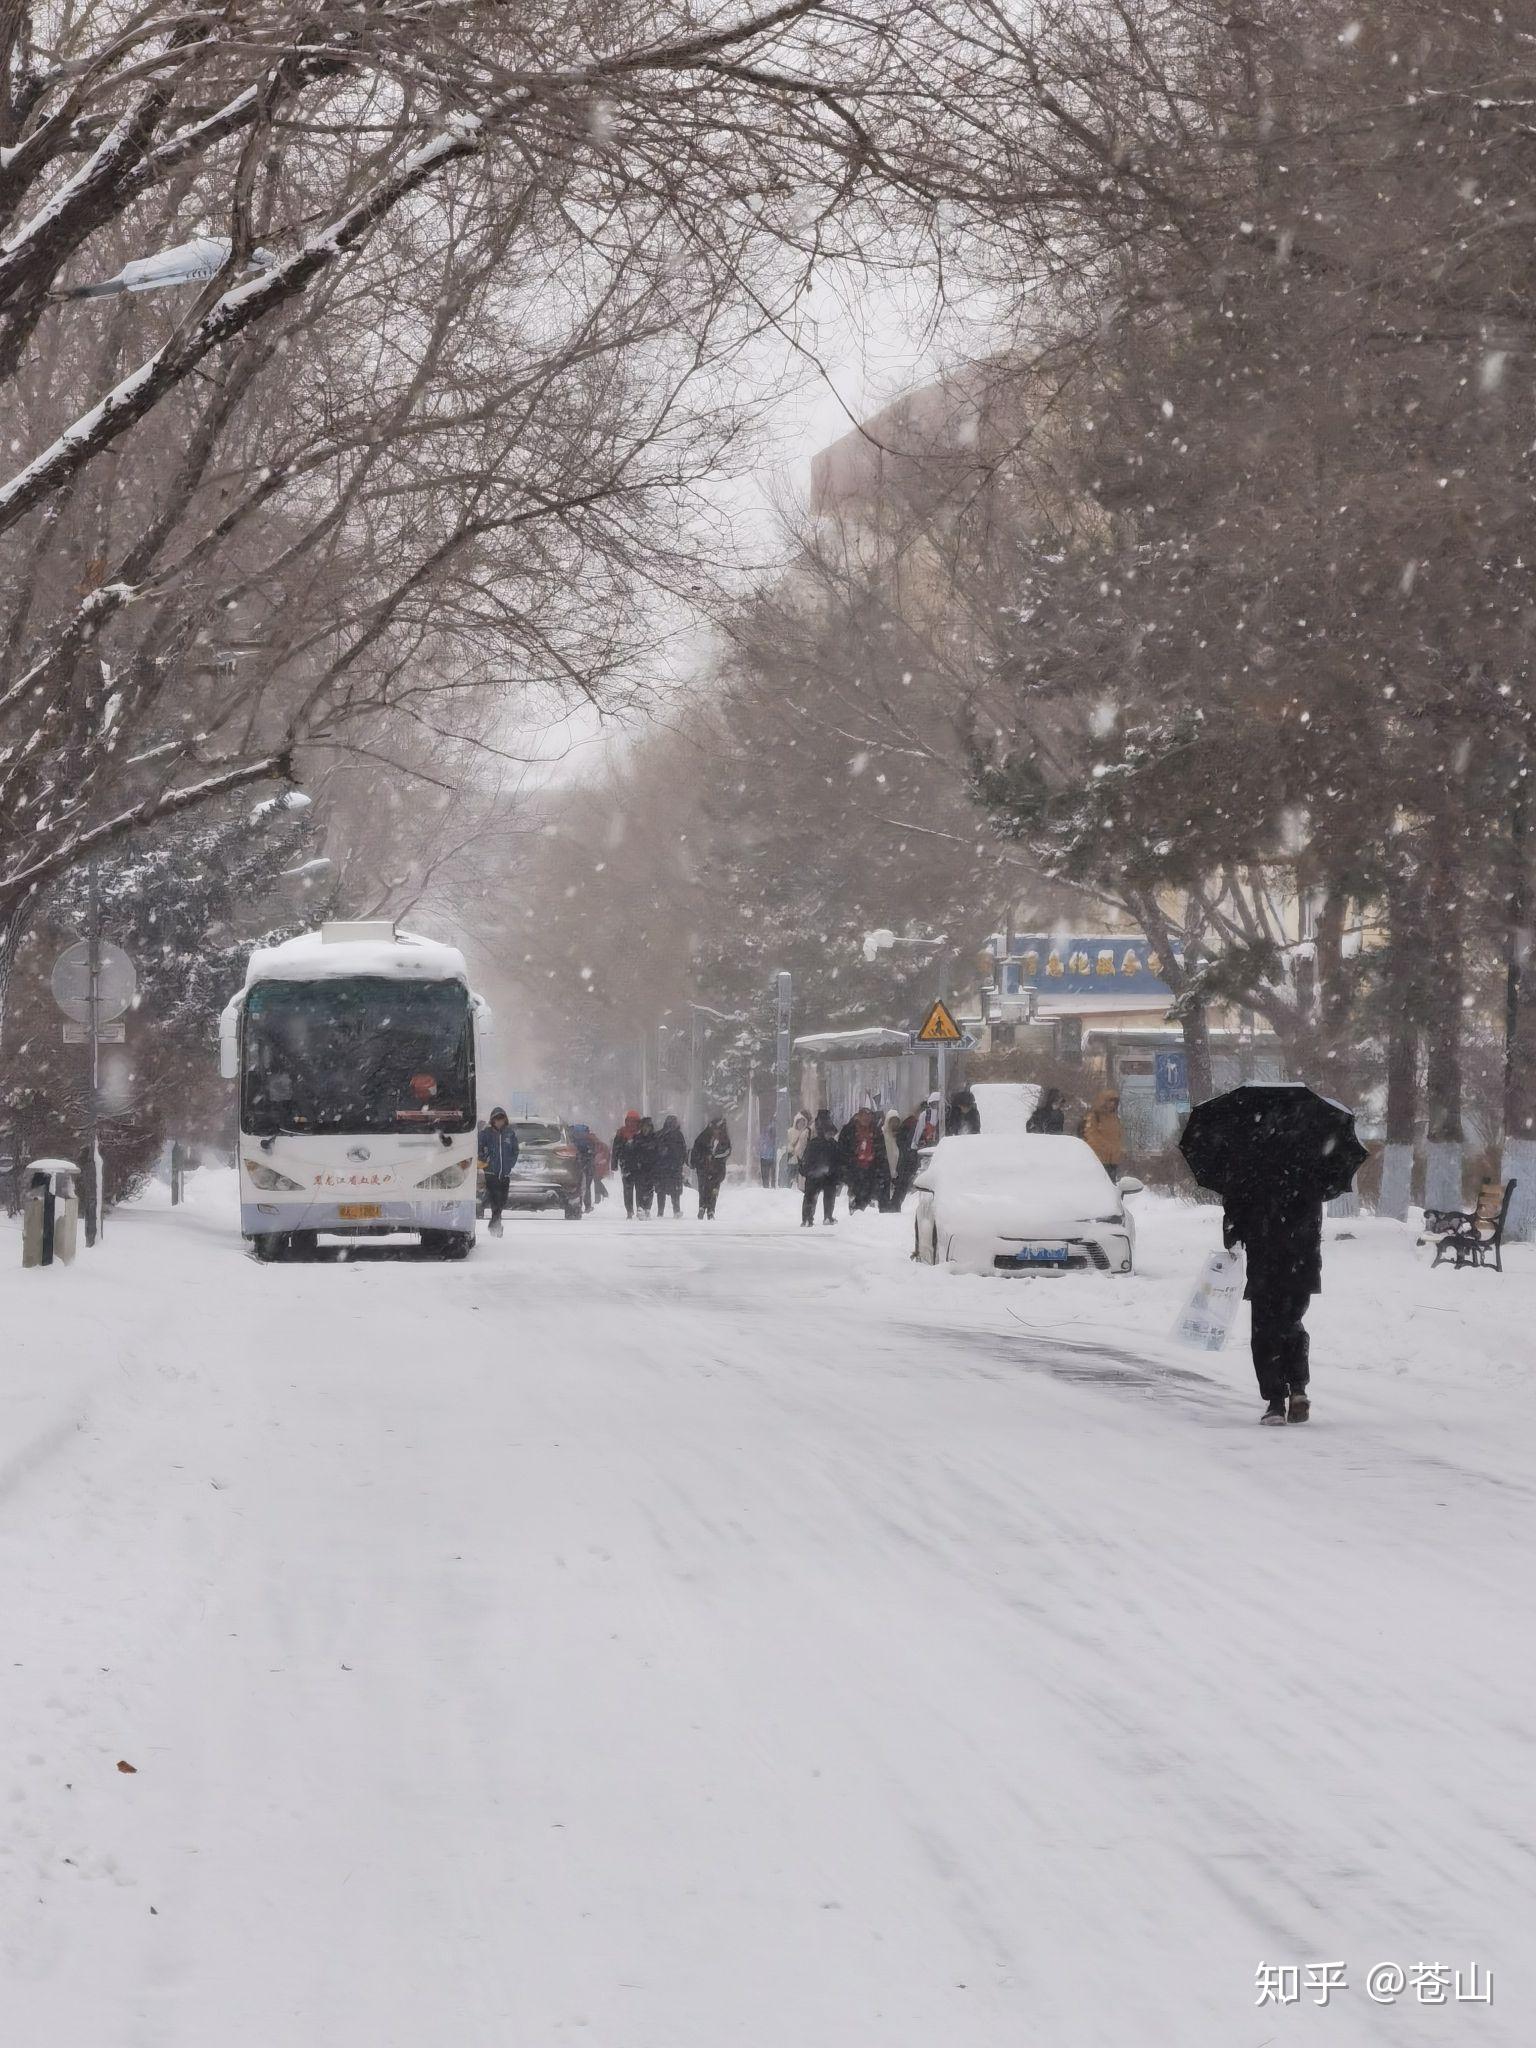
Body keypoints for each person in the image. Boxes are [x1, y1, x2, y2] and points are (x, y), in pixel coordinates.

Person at [1222, 1185, 1322, 1425]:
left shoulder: (1250, 1171)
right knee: (1291, 1323)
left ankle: (1276, 1401)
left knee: (1265, 1331)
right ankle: (1297, 1388)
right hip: (1301, 1261)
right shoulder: (1309, 1170)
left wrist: (1234, 1231)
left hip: (1265, 1262)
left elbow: (1235, 1211)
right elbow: (1314, 1214)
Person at [477, 1107, 520, 1237]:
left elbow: (515, 1150)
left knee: (502, 1200)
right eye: (497, 1119)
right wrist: (485, 1160)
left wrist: (510, 1164)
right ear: (493, 1120)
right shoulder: (486, 1134)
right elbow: (479, 1148)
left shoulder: (509, 1134)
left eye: (501, 1119)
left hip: (505, 1174)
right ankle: (496, 1224)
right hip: (491, 1173)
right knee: (495, 1199)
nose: (499, 1122)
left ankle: (495, 1222)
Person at [839, 1105, 889, 1212]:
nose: (866, 1118)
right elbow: (842, 1149)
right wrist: (845, 1166)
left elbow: (881, 1150)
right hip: (854, 1167)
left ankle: (860, 1209)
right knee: (858, 1191)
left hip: (871, 1168)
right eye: (863, 1115)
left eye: (868, 1115)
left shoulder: (876, 1131)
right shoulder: (848, 1130)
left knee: (867, 1193)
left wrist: (880, 1166)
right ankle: (856, 1208)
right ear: (858, 1116)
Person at [799, 1108, 841, 1225]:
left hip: (813, 1171)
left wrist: (804, 1168)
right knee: (829, 1194)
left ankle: (807, 1218)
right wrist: (837, 1173)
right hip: (828, 1171)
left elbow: (803, 1153)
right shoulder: (832, 1141)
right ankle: (828, 1216)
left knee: (810, 1195)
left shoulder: (811, 1136)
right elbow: (837, 1158)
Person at [690, 1115, 732, 1219]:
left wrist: (715, 1157)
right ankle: (702, 1206)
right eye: (715, 1129)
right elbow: (696, 1151)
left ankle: (711, 1210)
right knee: (703, 1188)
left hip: (717, 1170)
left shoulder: (724, 1140)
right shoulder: (703, 1138)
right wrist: (704, 1159)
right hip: (703, 1168)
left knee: (714, 1190)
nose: (716, 1132)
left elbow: (727, 1152)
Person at [1078, 1089, 1124, 1181]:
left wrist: (1119, 1150)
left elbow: (1119, 1136)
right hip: (1098, 1159)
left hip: (1113, 1160)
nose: (1112, 1104)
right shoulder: (1094, 1116)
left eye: (1114, 1102)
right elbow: (1091, 1136)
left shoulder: (1115, 1118)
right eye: (1110, 1101)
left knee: (1110, 1185)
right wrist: (1107, 1147)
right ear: (1103, 1102)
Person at [611, 1109, 644, 1218]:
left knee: (628, 1188)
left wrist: (614, 1163)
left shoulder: (621, 1132)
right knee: (639, 1188)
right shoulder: (641, 1132)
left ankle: (629, 1210)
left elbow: (615, 1149)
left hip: (625, 1164)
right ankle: (640, 1207)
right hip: (639, 1164)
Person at [654, 1113, 688, 1216]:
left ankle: (663, 1212)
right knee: (673, 1191)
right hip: (671, 1168)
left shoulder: (660, 1134)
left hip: (665, 1168)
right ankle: (673, 1211)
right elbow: (683, 1150)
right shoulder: (677, 1135)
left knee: (664, 1191)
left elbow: (683, 1150)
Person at [631, 1115, 660, 1216]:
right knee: (639, 1188)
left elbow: (658, 1152)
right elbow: (633, 1152)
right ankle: (640, 1207)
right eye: (644, 1126)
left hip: (651, 1167)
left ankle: (647, 1207)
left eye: (647, 1126)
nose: (645, 1129)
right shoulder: (637, 1138)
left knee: (649, 1188)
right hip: (640, 1167)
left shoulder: (655, 1138)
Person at [569, 1122, 598, 1210]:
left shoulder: (572, 1139)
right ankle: (587, 1206)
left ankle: (578, 1204)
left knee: (578, 1185)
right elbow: (595, 1151)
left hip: (577, 1163)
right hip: (588, 1163)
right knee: (587, 1186)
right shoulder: (590, 1139)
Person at [785, 1110, 811, 1184]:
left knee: (799, 1176)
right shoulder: (790, 1132)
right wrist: (791, 1150)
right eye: (800, 1122)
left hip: (801, 1158)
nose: (801, 1124)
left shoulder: (805, 1133)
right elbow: (787, 1143)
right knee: (790, 1175)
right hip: (792, 1158)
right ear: (796, 1122)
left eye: (803, 1123)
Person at [757, 1117, 778, 1189]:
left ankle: (766, 1186)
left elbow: (760, 1143)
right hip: (770, 1155)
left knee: (766, 1174)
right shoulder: (773, 1129)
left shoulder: (765, 1131)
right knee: (772, 1173)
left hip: (766, 1155)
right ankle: (771, 1186)